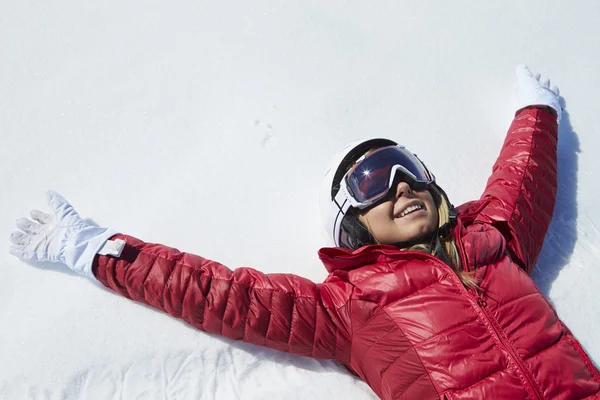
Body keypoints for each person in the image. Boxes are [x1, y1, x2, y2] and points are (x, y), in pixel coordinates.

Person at [9, 65, 600, 400]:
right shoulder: (350, 308)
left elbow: (523, 179)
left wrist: (536, 112)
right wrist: (95, 249)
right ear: (349, 222)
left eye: (408, 168)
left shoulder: (490, 237)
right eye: (372, 180)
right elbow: (220, 294)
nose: (399, 185)